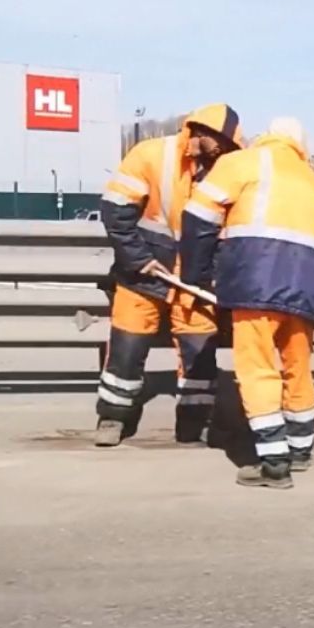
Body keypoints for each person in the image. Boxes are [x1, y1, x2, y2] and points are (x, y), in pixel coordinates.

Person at [179, 117, 314, 489]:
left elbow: (198, 218)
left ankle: (274, 464)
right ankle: (300, 451)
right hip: (307, 288)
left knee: (258, 368)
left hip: (255, 283)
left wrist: (196, 275)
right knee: (297, 368)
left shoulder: (243, 162)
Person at [94, 104, 243, 447]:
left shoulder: (227, 171)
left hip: (195, 281)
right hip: (143, 277)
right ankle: (114, 416)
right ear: (199, 132)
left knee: (200, 352)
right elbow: (115, 212)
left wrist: (214, 274)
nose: (219, 153)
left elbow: (230, 231)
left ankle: (194, 424)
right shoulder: (150, 155)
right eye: (216, 144)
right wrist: (138, 259)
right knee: (127, 348)